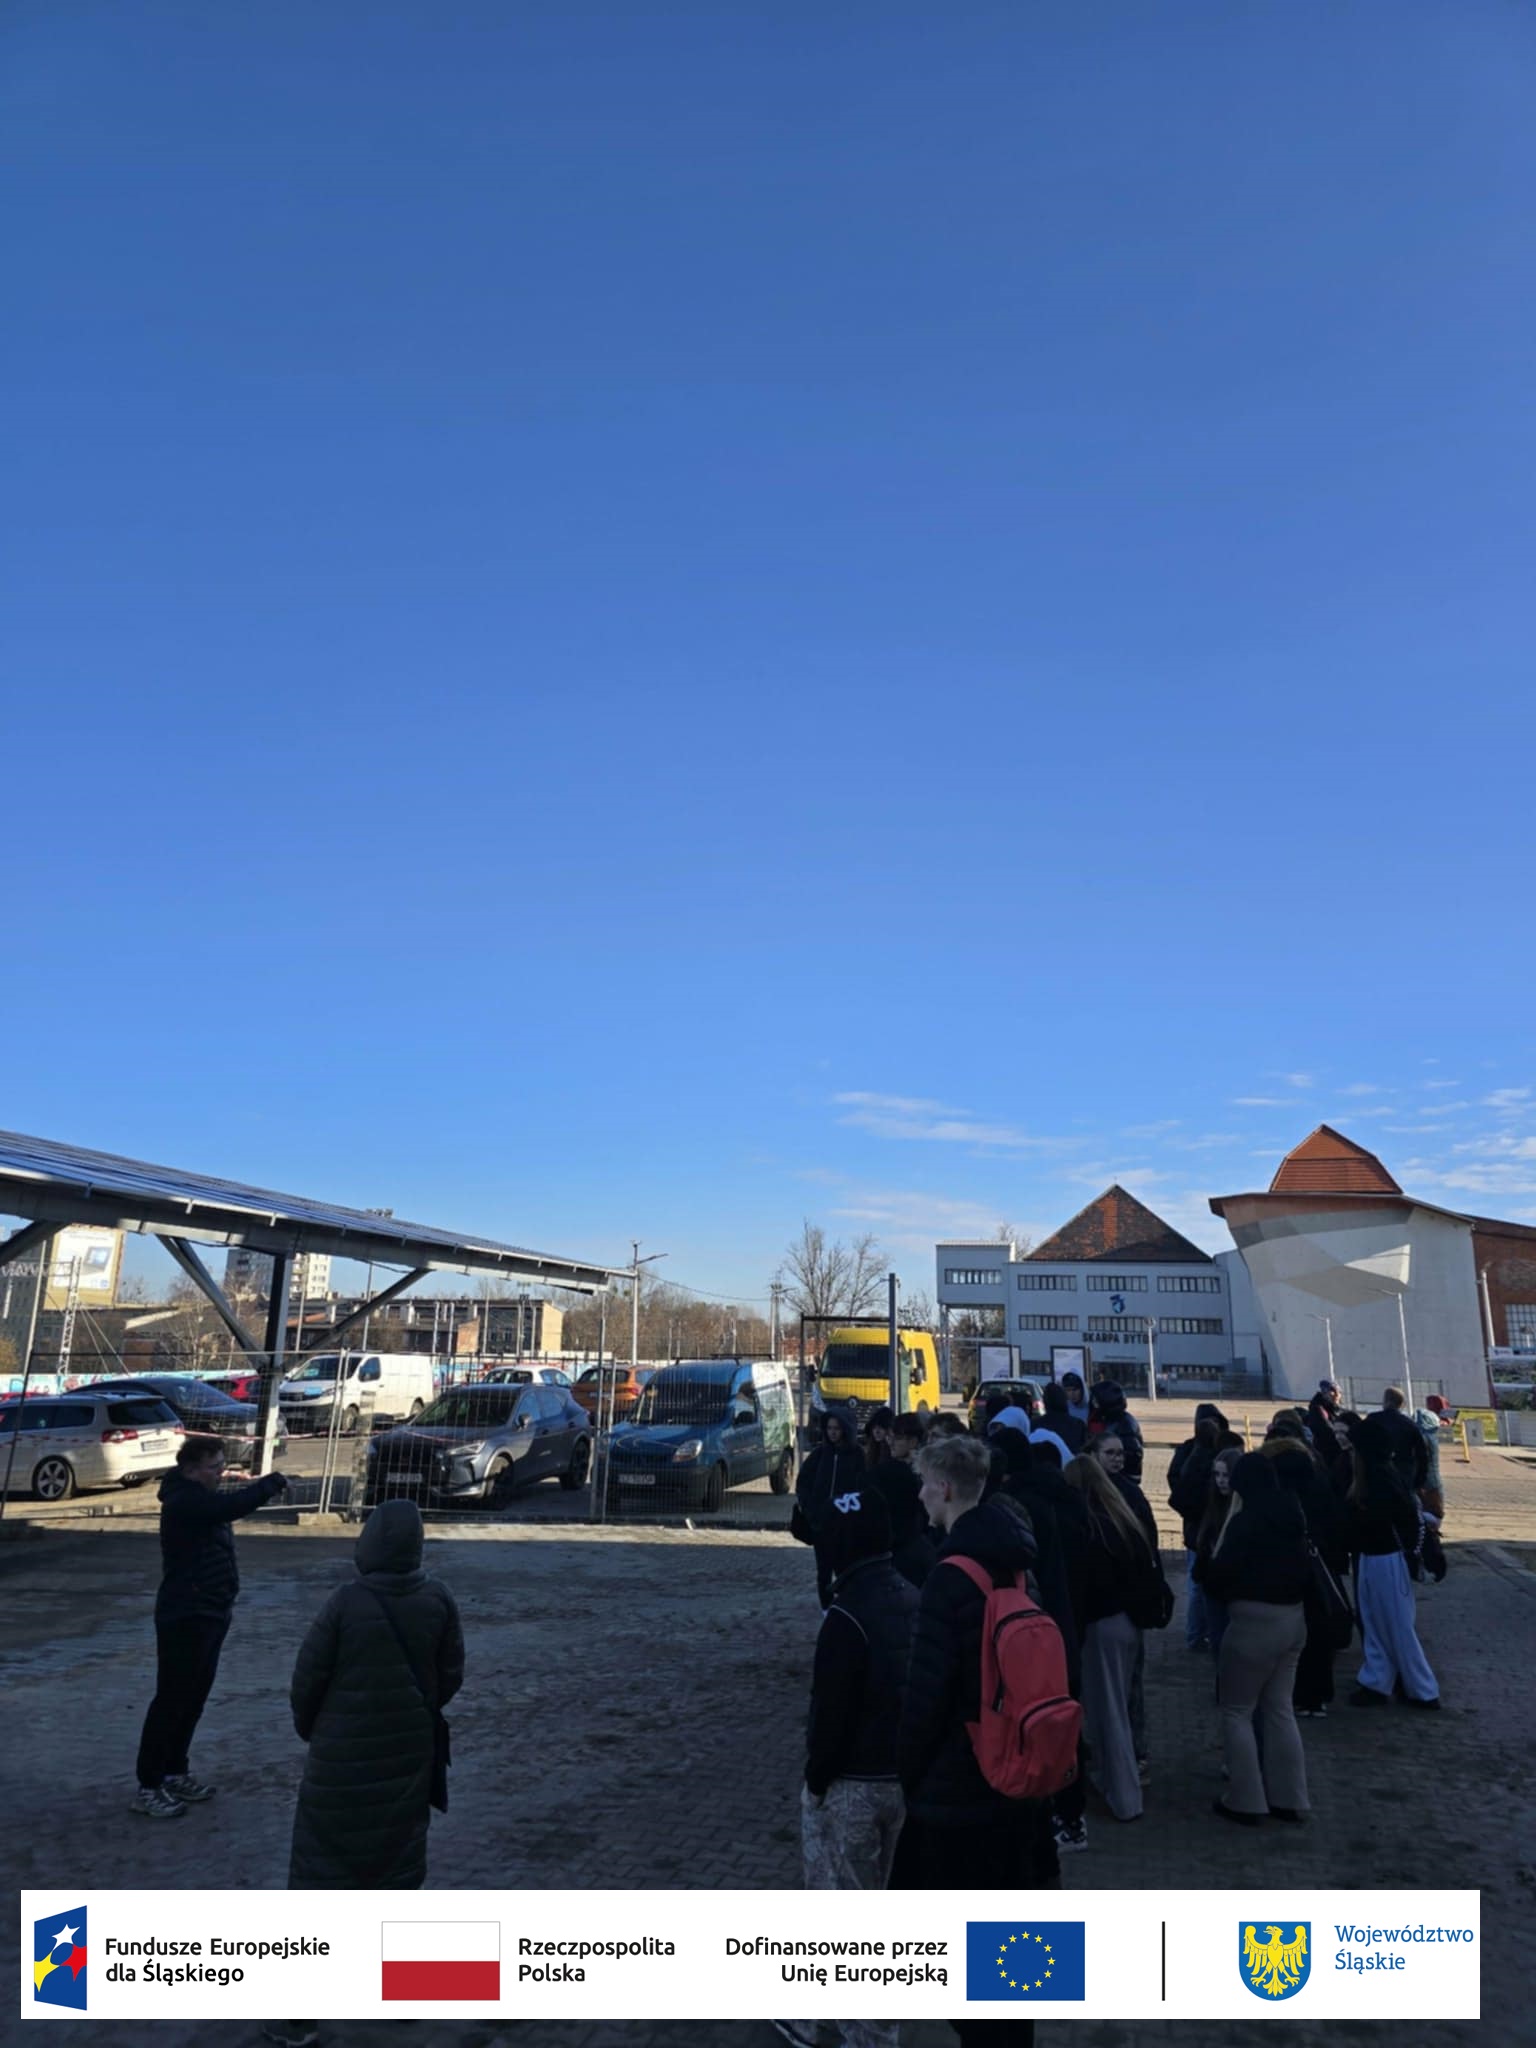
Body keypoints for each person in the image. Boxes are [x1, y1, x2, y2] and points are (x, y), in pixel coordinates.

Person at [894, 1434, 1057, 2048]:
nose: (919, 1496)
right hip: (1019, 1768)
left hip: (962, 1781)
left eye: (924, 1484)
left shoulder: (950, 1576)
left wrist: (908, 1774)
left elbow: (926, 1692)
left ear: (944, 1489)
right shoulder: (1016, 1561)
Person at [776, 1487, 919, 2048]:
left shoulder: (845, 1617)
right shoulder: (914, 1596)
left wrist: (816, 1780)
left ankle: (866, 2030)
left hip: (852, 1783)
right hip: (903, 1778)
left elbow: (832, 1713)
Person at [287, 1500, 464, 1888]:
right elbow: (451, 1674)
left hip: (339, 1752)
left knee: (326, 1854)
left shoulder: (344, 1602)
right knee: (396, 1849)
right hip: (410, 1748)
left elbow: (307, 1679)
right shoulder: (438, 1598)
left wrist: (313, 1729)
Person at [134, 1437, 288, 1819]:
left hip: (211, 1610)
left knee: (194, 1698)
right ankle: (149, 1784)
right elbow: (231, 1507)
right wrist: (270, 1484)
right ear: (191, 1470)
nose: (221, 1473)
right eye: (214, 1467)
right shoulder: (185, 1501)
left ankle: (175, 1770)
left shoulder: (199, 1497)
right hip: (186, 1612)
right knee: (172, 1699)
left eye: (222, 1465)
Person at [1198, 1454, 1311, 1826]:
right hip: (1293, 1618)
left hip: (1252, 1622)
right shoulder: (1292, 1515)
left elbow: (1219, 1576)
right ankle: (1289, 1797)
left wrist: (1210, 1572)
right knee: (1280, 1708)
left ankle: (1245, 1799)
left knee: (1237, 1711)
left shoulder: (1245, 1522)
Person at [1061, 1451, 1155, 1822]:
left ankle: (1124, 1796)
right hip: (1127, 1624)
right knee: (1115, 1708)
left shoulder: (1090, 1528)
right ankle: (1116, 1784)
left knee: (1109, 1713)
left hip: (1102, 1627)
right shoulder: (1122, 1519)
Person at [1346, 1416, 1440, 1709]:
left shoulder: (1377, 1481)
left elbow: (1381, 1521)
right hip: (1378, 1557)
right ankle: (1382, 1680)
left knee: (1394, 1625)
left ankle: (1421, 1688)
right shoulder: (1385, 1476)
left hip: (1385, 1559)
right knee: (1380, 1623)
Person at [1261, 1434, 1349, 1717]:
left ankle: (1295, 1694)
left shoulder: (1279, 1497)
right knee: (1317, 1632)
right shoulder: (1317, 1482)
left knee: (1292, 1636)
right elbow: (1334, 1522)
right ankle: (1317, 1696)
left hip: (1292, 1571)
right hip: (1319, 1564)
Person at [1168, 1406, 1240, 1651]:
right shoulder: (1198, 1453)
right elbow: (1178, 1488)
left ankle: (1199, 1633)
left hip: (1200, 1528)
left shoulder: (1195, 1451)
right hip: (1202, 1528)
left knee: (1198, 1585)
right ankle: (1198, 1634)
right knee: (1199, 1585)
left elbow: (1175, 1485)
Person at [793, 1405, 867, 1607]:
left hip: (846, 1525)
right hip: (822, 1524)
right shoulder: (820, 1454)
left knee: (845, 1569)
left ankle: (846, 1607)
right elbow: (803, 1482)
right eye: (830, 1428)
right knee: (823, 1571)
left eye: (837, 1428)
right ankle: (826, 1608)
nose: (833, 1433)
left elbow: (863, 1487)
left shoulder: (858, 1456)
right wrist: (810, 1509)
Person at [1190, 1447, 1243, 1657]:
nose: (1221, 1480)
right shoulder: (1213, 1503)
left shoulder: (1242, 1508)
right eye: (1217, 1475)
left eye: (1226, 1475)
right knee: (1218, 1640)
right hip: (1212, 1583)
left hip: (1235, 1586)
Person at [1376, 1387, 1430, 1496]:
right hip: (1403, 1475)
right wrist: (1419, 1482)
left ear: (1385, 1401)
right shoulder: (1409, 1424)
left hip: (1377, 1474)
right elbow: (1422, 1455)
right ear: (1402, 1404)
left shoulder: (1372, 1420)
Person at [1086, 1381, 1144, 1479]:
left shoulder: (1125, 1423)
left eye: (1096, 1401)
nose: (1093, 1403)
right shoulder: (1105, 1418)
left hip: (1123, 1477)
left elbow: (1134, 1454)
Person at [1039, 1379, 1087, 1454]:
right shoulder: (1078, 1424)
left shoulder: (1035, 1424)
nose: (1072, 1393)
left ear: (1045, 1402)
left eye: (1074, 1389)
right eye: (1069, 1390)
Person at [1307, 1380, 1343, 1470]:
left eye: (1339, 1392)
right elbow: (1327, 1432)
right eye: (1334, 1392)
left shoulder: (1332, 1409)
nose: (1337, 1396)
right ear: (1326, 1393)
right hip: (1325, 1455)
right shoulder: (1318, 1410)